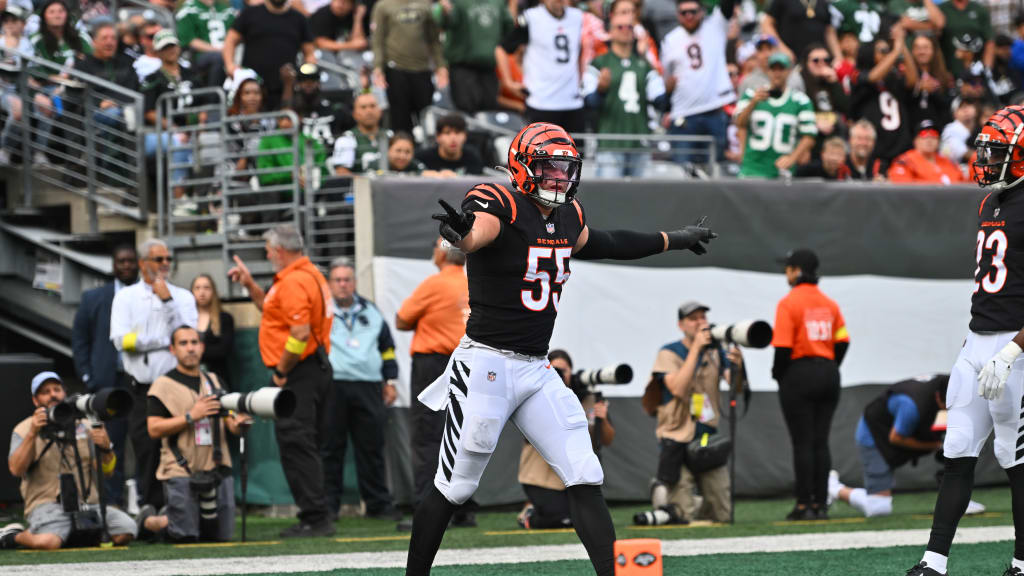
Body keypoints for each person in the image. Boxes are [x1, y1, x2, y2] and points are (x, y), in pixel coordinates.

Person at [406, 121, 717, 576]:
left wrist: (677, 238)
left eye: (565, 169)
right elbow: (478, 233)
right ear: (521, 166)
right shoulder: (499, 202)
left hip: (535, 368)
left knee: (584, 472)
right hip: (486, 364)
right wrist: (461, 235)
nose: (559, 178)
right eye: (549, 168)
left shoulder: (569, 217)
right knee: (455, 485)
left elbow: (610, 243)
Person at [904, 103, 1024, 576]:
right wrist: (972, 346)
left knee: (1015, 457)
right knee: (956, 450)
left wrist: (1013, 350)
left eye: (996, 151)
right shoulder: (990, 201)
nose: (986, 160)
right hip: (977, 343)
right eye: (986, 150)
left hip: (1016, 349)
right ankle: (934, 561)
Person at [227, 224, 334, 538]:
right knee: (300, 443)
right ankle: (315, 515)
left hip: (299, 373)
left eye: (268, 249)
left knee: (297, 443)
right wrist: (249, 284)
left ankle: (315, 518)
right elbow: (272, 310)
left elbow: (299, 334)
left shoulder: (295, 281)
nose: (266, 254)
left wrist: (282, 372)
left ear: (280, 250)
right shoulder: (307, 274)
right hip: (312, 370)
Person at [137, 326, 250, 542]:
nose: (190, 348)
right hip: (181, 466)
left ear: (202, 347)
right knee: (185, 536)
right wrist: (191, 416)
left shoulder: (214, 381)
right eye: (183, 343)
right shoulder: (162, 385)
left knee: (222, 537)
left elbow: (230, 424)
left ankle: (176, 516)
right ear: (172, 349)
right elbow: (153, 429)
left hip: (217, 466)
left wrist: (240, 424)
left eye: (194, 343)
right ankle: (150, 521)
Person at [0, 372, 136, 550]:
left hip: (88, 504)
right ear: (35, 400)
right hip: (48, 503)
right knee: (48, 542)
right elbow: (16, 469)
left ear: (65, 393)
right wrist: (33, 434)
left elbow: (107, 472)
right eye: (45, 392)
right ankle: (12, 536)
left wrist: (106, 448)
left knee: (126, 531)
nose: (52, 395)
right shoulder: (25, 428)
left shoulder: (87, 425)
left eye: (57, 389)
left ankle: (70, 534)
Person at [110, 238, 198, 512]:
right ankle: (150, 508)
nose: (164, 265)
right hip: (141, 387)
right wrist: (162, 339)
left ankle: (181, 507)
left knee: (179, 446)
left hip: (174, 386)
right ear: (143, 263)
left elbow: (187, 336)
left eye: (167, 259)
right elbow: (121, 340)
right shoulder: (126, 297)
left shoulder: (182, 297)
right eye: (158, 259)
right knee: (146, 448)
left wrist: (167, 301)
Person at [638, 301, 743, 525]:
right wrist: (695, 349)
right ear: (681, 325)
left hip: (706, 436)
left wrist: (739, 367)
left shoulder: (716, 351)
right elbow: (678, 388)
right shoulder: (668, 352)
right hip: (676, 436)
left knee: (723, 515)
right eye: (693, 319)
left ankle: (686, 500)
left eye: (703, 318)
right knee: (683, 517)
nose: (700, 323)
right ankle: (668, 494)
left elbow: (735, 386)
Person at [830, 374, 987, 518]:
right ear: (939, 398)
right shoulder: (911, 405)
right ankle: (832, 488)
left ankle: (956, 500)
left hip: (903, 430)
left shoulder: (942, 387)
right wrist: (935, 444)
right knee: (878, 508)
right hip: (875, 437)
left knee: (953, 448)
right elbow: (897, 438)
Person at [395, 237, 472, 531]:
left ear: (441, 255)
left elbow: (402, 320)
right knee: (463, 437)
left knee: (429, 436)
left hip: (434, 366)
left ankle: (427, 510)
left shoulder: (434, 284)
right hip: (467, 365)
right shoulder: (471, 283)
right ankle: (464, 510)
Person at [771, 248, 850, 521]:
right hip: (828, 373)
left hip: (799, 373)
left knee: (802, 442)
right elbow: (843, 341)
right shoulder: (829, 304)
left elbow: (782, 348)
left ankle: (804, 505)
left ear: (796, 271)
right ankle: (820, 505)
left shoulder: (788, 302)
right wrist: (829, 366)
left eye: (788, 268)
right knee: (820, 441)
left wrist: (779, 375)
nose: (786, 273)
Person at [322, 258, 398, 522]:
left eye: (347, 280)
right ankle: (328, 507)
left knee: (372, 447)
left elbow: (387, 347)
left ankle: (377, 505)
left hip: (368, 385)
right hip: (333, 386)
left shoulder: (371, 310)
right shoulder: (322, 310)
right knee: (331, 448)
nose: (343, 285)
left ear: (354, 282)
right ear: (330, 284)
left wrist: (390, 380)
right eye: (337, 280)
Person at [71, 244, 138, 507]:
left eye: (131, 261)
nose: (126, 266)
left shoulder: (147, 297)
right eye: (121, 261)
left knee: (145, 443)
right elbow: (80, 339)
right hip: (107, 383)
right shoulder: (94, 298)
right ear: (113, 265)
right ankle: (111, 503)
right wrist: (88, 377)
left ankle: (147, 503)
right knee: (111, 443)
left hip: (140, 380)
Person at [519, 349, 616, 530]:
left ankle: (538, 508)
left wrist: (602, 418)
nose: (560, 375)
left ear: (572, 371)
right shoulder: (535, 396)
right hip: (542, 477)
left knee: (586, 519)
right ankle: (529, 516)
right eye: (555, 370)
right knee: (564, 519)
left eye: (564, 370)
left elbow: (607, 440)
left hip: (575, 476)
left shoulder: (588, 399)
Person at [584, 8, 666, 179]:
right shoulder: (599, 63)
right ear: (610, 31)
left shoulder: (643, 65)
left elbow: (661, 101)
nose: (625, 31)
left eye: (629, 27)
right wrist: (600, 90)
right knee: (610, 198)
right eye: (620, 27)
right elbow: (589, 103)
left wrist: (671, 89)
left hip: (640, 141)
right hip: (610, 142)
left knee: (643, 199)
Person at [661, 0, 736, 165]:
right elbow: (665, 81)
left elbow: (727, 6)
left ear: (702, 11)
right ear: (677, 15)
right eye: (683, 13)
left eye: (693, 12)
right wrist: (669, 88)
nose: (689, 16)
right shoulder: (670, 39)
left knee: (715, 169)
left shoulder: (716, 26)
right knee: (682, 171)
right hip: (683, 113)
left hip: (714, 109)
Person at [496, 0, 586, 133]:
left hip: (572, 102)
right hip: (541, 102)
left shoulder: (577, 16)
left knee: (574, 152)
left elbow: (579, 51)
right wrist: (508, 82)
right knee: (541, 152)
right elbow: (502, 50)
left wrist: (579, 81)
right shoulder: (531, 18)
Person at [140, 30, 200, 217]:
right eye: (165, 47)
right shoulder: (152, 78)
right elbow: (149, 112)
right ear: (157, 52)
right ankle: (179, 200)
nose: (170, 50)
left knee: (210, 141)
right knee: (178, 142)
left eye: (172, 46)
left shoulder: (191, 74)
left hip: (190, 129)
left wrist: (200, 126)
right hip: (155, 133)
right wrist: (173, 128)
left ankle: (211, 198)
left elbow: (202, 103)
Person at [733, 52, 817, 179]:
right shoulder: (751, 95)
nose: (777, 73)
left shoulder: (801, 101)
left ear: (789, 71)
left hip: (781, 171)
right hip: (752, 168)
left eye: (781, 69)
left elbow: (809, 135)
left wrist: (792, 158)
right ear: (768, 71)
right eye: (773, 69)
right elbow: (739, 123)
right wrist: (753, 103)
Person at [222, 0, 315, 110]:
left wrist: (306, 75)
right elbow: (230, 41)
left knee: (286, 124)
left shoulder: (299, 19)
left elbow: (309, 53)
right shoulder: (250, 13)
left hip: (286, 88)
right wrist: (230, 65)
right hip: (254, 88)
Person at [370, 0, 446, 134]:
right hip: (395, 68)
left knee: (426, 116)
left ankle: (426, 148)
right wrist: (378, 67)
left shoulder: (426, 5)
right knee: (400, 120)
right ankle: (402, 149)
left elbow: (434, 39)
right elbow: (378, 40)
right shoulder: (383, 5)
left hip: (422, 69)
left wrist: (441, 66)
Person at [850, 26, 918, 174]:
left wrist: (902, 47)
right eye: (882, 51)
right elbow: (873, 77)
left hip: (900, 145)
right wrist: (895, 51)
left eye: (888, 50)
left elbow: (912, 80)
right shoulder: (857, 74)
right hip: (874, 149)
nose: (887, 54)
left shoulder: (892, 77)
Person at [435, 0, 513, 115]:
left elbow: (509, 27)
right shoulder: (459, 3)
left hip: (489, 67)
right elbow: (444, 22)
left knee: (489, 109)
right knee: (466, 109)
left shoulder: (498, 2)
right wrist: (444, 12)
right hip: (463, 66)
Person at [175, 0, 236, 89]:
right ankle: (213, 97)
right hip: (200, 57)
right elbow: (190, 40)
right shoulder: (188, 9)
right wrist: (222, 51)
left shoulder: (227, 10)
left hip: (229, 54)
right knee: (219, 58)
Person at [760, 0, 840, 65]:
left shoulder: (824, 3)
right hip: (792, 61)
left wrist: (838, 57)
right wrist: (781, 48)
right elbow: (766, 24)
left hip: (818, 62)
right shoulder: (781, 1)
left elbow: (830, 32)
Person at [887, 120, 966, 184]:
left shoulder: (949, 162)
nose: (929, 139)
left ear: (938, 141)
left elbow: (964, 187)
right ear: (915, 141)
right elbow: (902, 190)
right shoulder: (905, 161)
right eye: (923, 134)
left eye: (934, 135)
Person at [191, 274, 235, 388]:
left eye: (206, 288)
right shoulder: (186, 318)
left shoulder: (224, 318)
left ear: (213, 292)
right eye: (197, 288)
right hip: (191, 380)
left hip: (218, 379)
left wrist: (194, 352)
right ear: (191, 292)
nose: (202, 292)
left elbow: (223, 350)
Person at [330, 92, 385, 175]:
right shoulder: (346, 139)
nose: (369, 111)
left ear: (380, 111)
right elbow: (341, 172)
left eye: (373, 106)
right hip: (361, 187)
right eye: (363, 107)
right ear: (354, 114)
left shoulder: (390, 136)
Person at [415, 113, 484, 177]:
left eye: (457, 133)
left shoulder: (473, 158)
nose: (453, 138)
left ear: (465, 136)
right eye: (447, 133)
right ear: (438, 137)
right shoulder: (422, 158)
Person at [939, 0, 994, 76]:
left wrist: (987, 70)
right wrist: (942, 72)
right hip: (950, 69)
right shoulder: (942, 9)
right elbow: (936, 42)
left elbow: (990, 41)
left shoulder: (979, 9)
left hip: (976, 69)